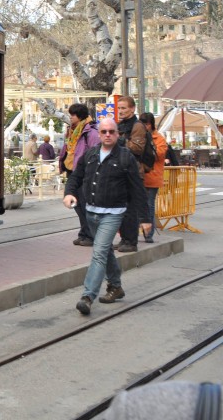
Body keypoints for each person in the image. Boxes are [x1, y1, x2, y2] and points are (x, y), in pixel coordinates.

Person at [63, 117, 147, 316]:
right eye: (104, 132)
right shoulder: (91, 154)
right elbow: (76, 176)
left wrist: (145, 219)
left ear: (117, 134)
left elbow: (137, 189)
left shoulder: (126, 157)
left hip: (113, 213)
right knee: (105, 251)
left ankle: (87, 296)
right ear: (99, 134)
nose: (108, 135)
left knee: (99, 252)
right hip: (92, 213)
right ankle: (115, 287)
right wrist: (69, 192)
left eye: (111, 131)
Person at [58, 103, 100, 247]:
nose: (70, 117)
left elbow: (95, 153)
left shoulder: (90, 132)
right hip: (73, 170)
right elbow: (69, 148)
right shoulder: (72, 131)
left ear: (79, 116)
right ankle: (84, 233)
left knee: (83, 205)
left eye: (72, 115)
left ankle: (89, 235)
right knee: (76, 204)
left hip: (84, 172)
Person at [115, 96, 151, 253]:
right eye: (119, 108)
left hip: (134, 171)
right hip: (121, 170)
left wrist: (120, 141)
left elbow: (137, 148)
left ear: (132, 109)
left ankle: (131, 241)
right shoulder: (120, 125)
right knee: (122, 208)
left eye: (124, 108)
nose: (121, 111)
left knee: (131, 209)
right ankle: (125, 238)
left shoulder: (137, 126)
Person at [139, 112, 168, 243]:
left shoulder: (159, 139)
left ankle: (148, 234)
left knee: (149, 206)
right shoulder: (138, 136)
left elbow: (158, 155)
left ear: (150, 125)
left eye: (146, 124)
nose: (144, 127)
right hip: (139, 178)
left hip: (152, 178)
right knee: (136, 206)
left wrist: (146, 145)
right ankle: (134, 232)